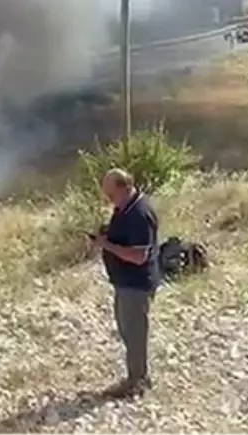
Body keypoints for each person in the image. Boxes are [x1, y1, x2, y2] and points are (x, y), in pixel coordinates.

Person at [89, 168, 160, 398]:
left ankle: (137, 381)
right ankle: (137, 376)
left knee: (135, 332)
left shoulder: (139, 214)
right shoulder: (124, 208)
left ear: (124, 188)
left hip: (136, 284)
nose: (108, 200)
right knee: (126, 330)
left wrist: (106, 245)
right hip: (124, 283)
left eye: (111, 195)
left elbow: (138, 256)